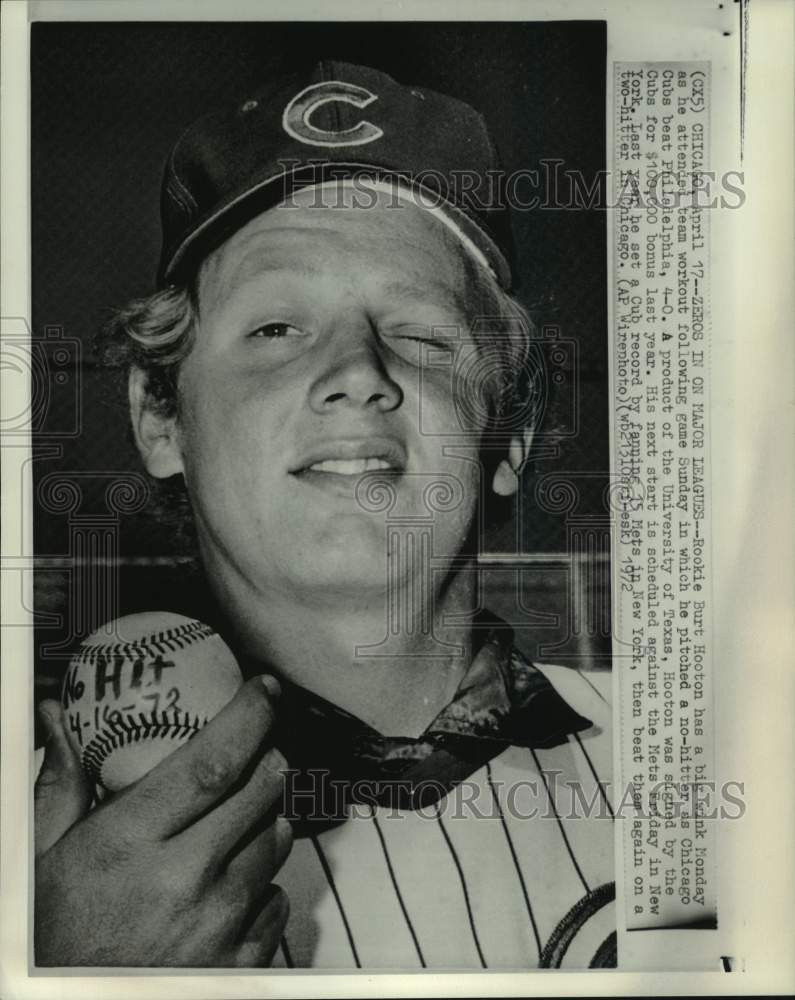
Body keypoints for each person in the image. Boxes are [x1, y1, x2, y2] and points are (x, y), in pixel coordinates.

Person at [34, 61, 615, 969]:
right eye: (275, 329)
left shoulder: (714, 766)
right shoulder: (28, 861)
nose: (357, 372)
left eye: (420, 334)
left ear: (509, 432)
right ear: (159, 416)